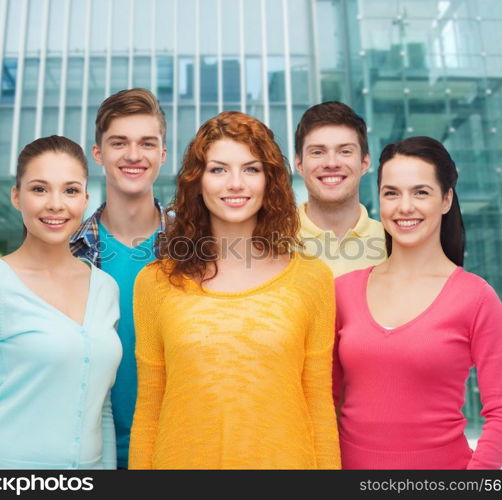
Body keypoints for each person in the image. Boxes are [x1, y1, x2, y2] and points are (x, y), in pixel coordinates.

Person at [129, 111, 340, 469]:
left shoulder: (312, 279)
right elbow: (150, 408)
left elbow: (319, 406)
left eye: (251, 169)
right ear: (197, 182)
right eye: (218, 169)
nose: (235, 183)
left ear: (269, 181)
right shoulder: (154, 283)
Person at [333, 136, 502, 469]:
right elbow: (325, 400)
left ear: (446, 199)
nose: (405, 207)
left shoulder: (477, 298)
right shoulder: (342, 292)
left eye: (421, 192)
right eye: (392, 193)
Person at [0, 136, 122, 469]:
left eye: (70, 191)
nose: (55, 204)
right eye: (39, 189)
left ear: (85, 199)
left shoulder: (106, 289)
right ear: (16, 196)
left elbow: (103, 408)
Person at [70, 88, 168, 469]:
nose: (133, 155)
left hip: (175, 451)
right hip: (89, 457)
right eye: (119, 143)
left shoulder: (197, 250)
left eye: (147, 143)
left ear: (162, 154)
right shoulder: (69, 251)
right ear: (98, 154)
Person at [295, 101, 386, 276]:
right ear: (299, 164)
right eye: (317, 152)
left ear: (364, 163)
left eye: (345, 151)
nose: (331, 163)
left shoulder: (394, 243)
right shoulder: (270, 241)